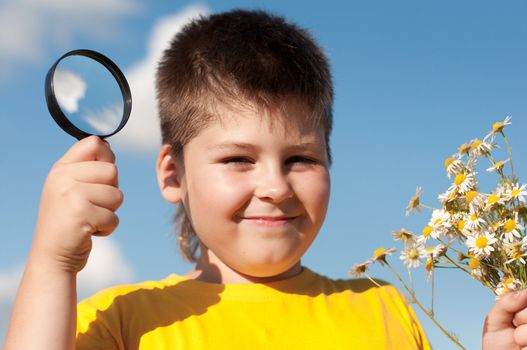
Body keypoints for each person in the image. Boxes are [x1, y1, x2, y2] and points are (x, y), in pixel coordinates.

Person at [3, 9, 526, 350]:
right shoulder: (122, 322)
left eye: (301, 159)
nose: (276, 186)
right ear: (172, 173)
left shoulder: (385, 309)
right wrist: (54, 261)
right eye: (237, 159)